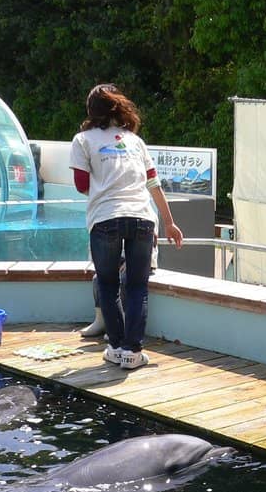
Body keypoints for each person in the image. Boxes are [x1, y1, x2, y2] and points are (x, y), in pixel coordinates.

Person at [69, 83, 183, 369]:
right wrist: (169, 222)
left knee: (107, 285)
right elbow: (153, 183)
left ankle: (117, 347)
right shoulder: (134, 140)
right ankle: (133, 352)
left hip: (105, 218)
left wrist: (104, 183)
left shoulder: (83, 140)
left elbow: (82, 185)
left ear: (91, 111)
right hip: (143, 218)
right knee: (136, 287)